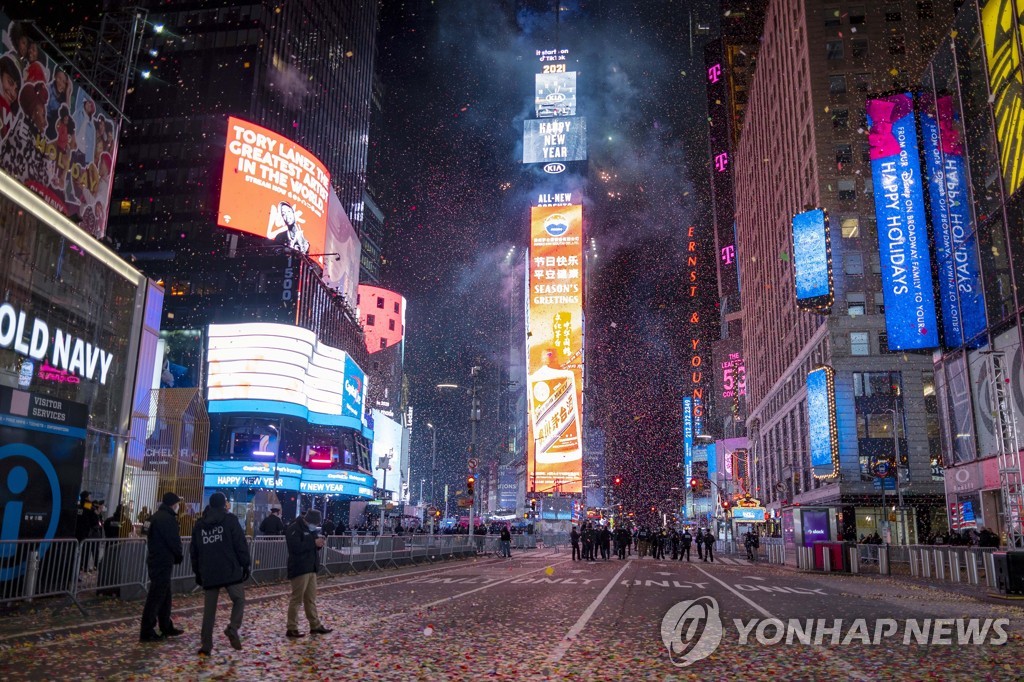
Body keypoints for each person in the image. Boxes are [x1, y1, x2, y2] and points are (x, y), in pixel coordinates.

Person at [191, 492, 250, 656]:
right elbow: (240, 543)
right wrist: (245, 564)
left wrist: (197, 571)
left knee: (209, 610)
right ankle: (232, 627)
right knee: (239, 599)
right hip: (230, 569)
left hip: (209, 571)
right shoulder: (230, 520)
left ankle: (206, 645)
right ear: (223, 504)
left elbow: (194, 551)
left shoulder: (200, 524)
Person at [140, 492, 184, 642]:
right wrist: (179, 555)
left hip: (155, 559)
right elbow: (173, 540)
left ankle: (165, 625)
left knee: (165, 595)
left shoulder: (154, 517)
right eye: (177, 504)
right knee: (156, 596)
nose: (178, 507)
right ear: (173, 504)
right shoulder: (168, 519)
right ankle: (147, 630)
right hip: (163, 561)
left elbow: (144, 532)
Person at [285, 509, 332, 638]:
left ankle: (315, 625)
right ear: (308, 520)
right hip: (300, 568)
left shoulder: (311, 530)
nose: (315, 526)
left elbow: (312, 544)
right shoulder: (295, 528)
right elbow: (295, 547)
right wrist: (313, 543)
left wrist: (319, 544)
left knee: (310, 599)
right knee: (297, 599)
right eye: (314, 523)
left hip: (311, 567)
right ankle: (292, 627)